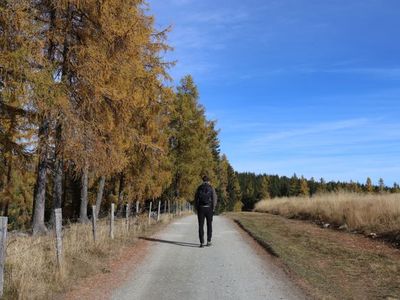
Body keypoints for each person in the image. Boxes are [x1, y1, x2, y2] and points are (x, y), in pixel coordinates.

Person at [194, 175, 217, 248]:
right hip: (209, 208)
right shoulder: (211, 188)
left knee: (201, 225)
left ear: (203, 180)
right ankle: (209, 241)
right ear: (208, 181)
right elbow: (214, 198)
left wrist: (196, 208)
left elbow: (195, 198)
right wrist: (213, 208)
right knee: (209, 225)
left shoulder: (199, 188)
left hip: (201, 208)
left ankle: (201, 242)